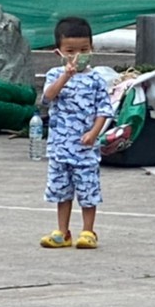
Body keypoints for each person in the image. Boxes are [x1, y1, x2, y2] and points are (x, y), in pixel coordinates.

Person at [38, 16, 111, 250]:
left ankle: (88, 231)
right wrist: (66, 76)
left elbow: (104, 109)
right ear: (58, 52)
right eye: (70, 50)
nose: (77, 56)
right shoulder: (53, 75)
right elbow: (47, 97)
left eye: (84, 50)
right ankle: (62, 231)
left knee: (88, 188)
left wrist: (94, 133)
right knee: (62, 190)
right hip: (60, 147)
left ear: (92, 49)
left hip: (86, 148)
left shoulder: (96, 79)